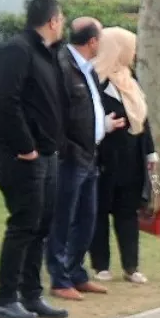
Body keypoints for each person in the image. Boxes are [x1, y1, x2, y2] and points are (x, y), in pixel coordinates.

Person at [0, 0, 70, 318]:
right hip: (22, 155)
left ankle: (31, 294)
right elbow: (5, 100)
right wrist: (25, 146)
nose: (64, 24)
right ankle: (6, 297)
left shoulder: (49, 53)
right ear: (52, 20)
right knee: (24, 224)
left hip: (48, 153)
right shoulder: (19, 49)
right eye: (62, 19)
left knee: (41, 225)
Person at [49, 17, 123, 301]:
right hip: (71, 156)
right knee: (63, 219)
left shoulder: (88, 70)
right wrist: (67, 148)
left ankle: (76, 272)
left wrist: (102, 126)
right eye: (100, 37)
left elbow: (88, 109)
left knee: (87, 218)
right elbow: (56, 115)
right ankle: (59, 278)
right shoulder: (63, 67)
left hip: (90, 154)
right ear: (92, 41)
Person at [89, 27, 156, 285]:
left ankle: (131, 266)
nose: (134, 53)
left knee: (128, 212)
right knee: (100, 212)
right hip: (104, 158)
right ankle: (101, 265)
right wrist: (103, 124)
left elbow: (143, 118)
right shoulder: (96, 79)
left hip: (132, 159)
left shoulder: (130, 78)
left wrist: (151, 152)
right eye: (129, 47)